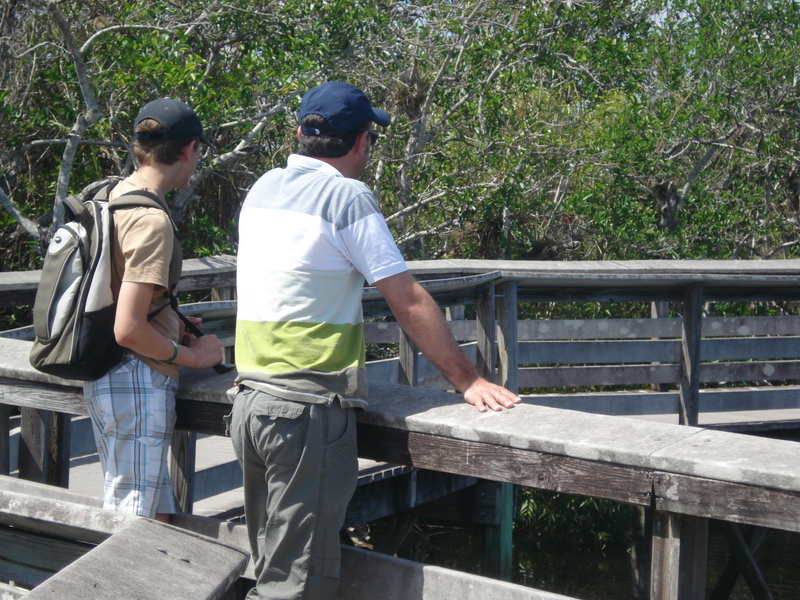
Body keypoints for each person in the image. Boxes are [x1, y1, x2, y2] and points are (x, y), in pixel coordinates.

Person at [230, 81, 521, 600]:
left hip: (251, 405)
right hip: (305, 413)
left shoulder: (263, 188)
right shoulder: (346, 197)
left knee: (268, 569)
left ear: (300, 133)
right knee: (293, 588)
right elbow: (405, 299)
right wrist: (469, 379)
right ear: (362, 142)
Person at [83, 98, 223, 523]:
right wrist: (193, 357)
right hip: (136, 378)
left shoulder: (111, 195)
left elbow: (119, 296)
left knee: (153, 519)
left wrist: (167, 322)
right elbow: (127, 328)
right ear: (188, 149)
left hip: (107, 373)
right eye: (198, 152)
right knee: (134, 526)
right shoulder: (150, 220)